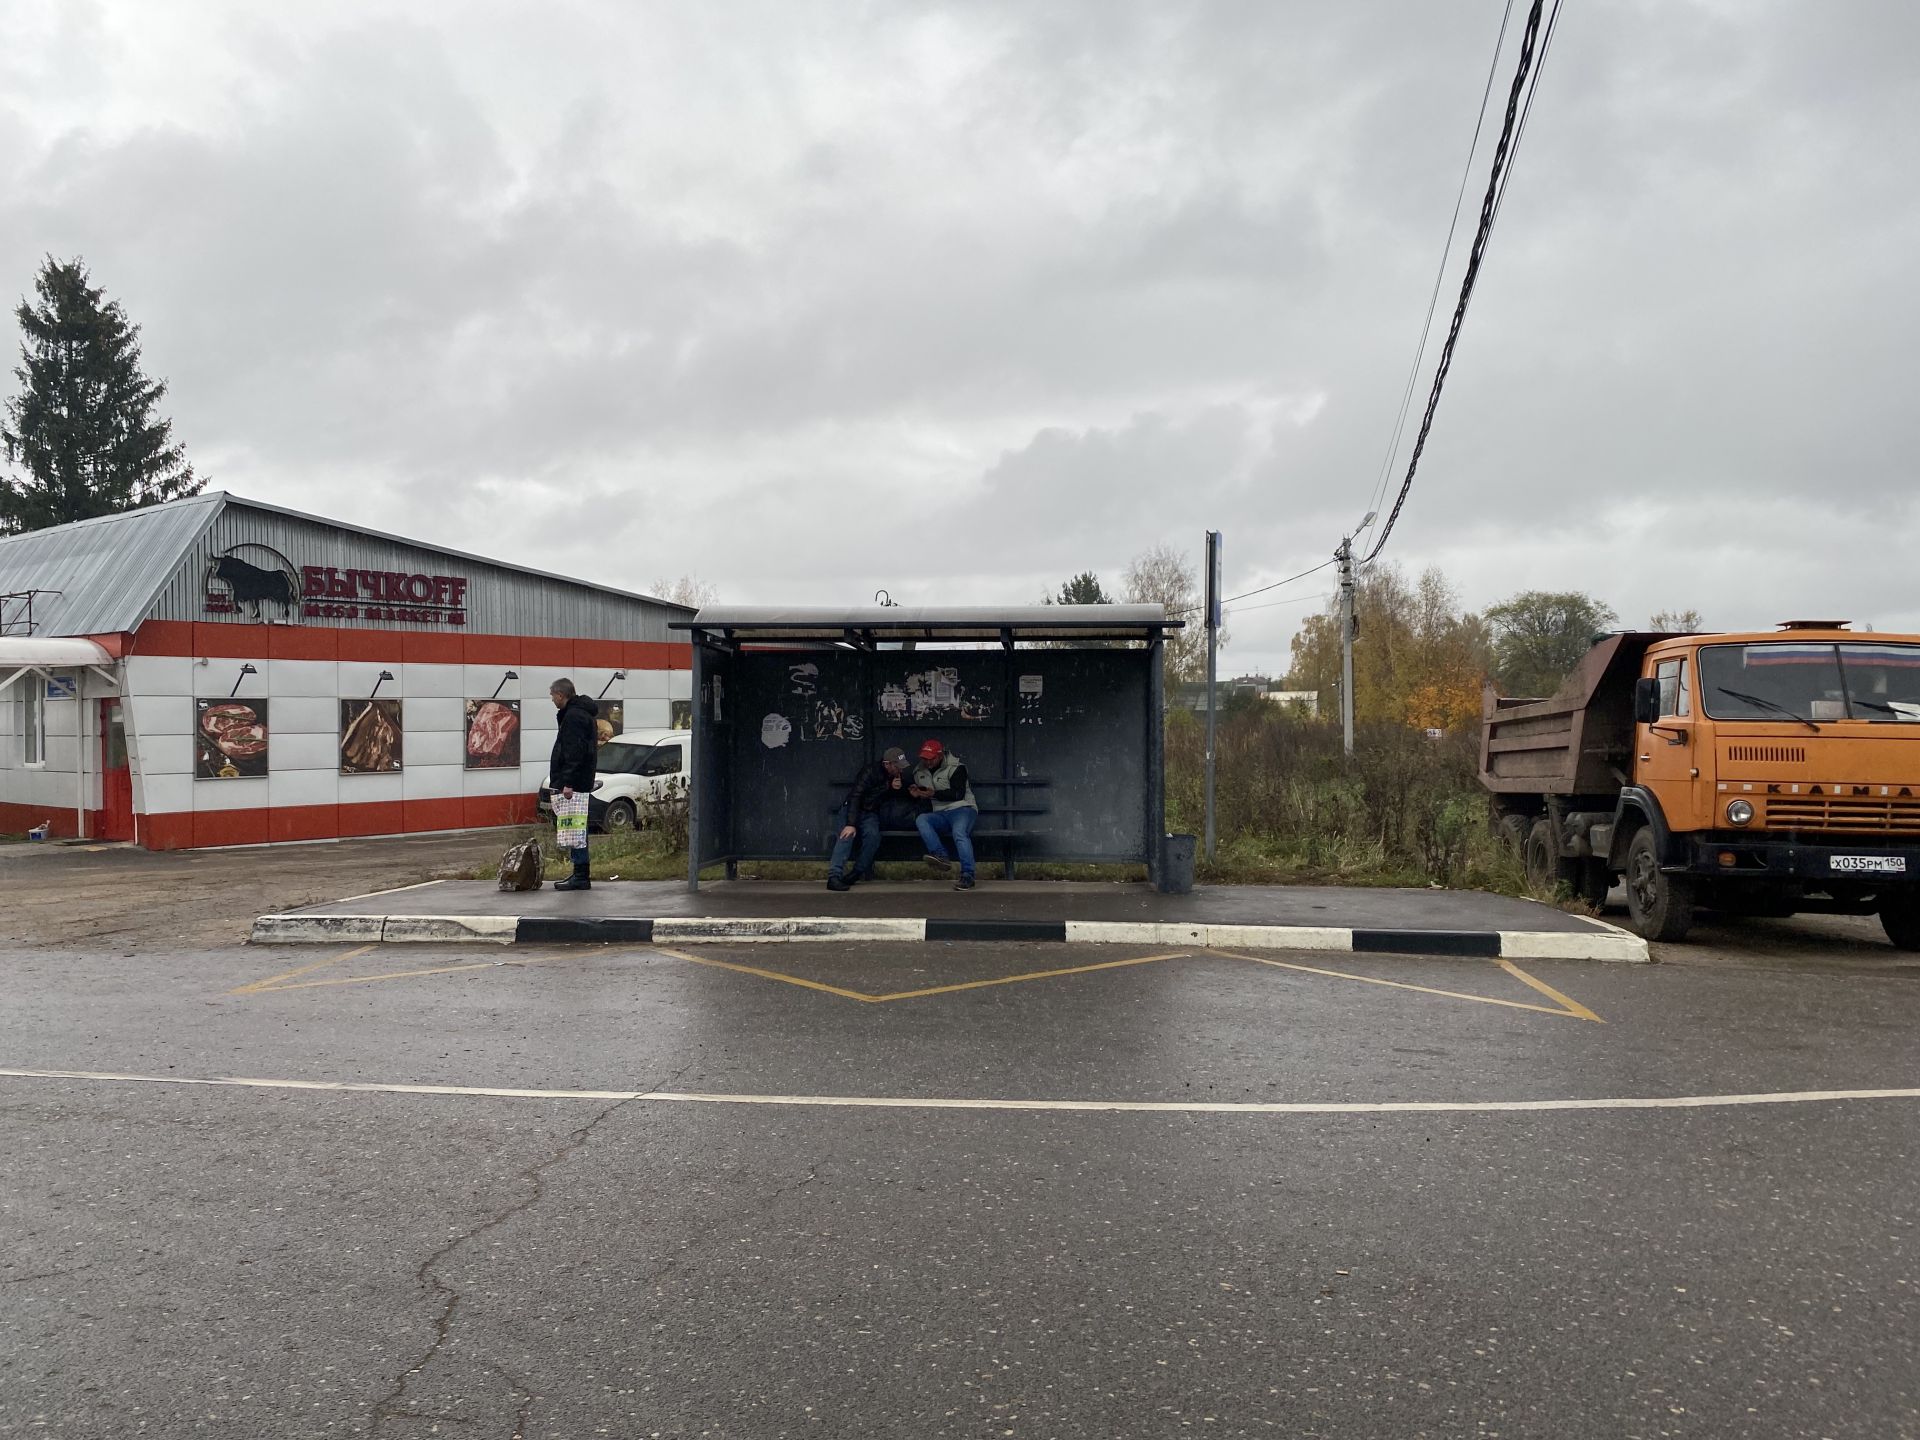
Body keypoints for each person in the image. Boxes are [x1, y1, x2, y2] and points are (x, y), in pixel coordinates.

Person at [826, 747, 919, 892]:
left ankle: (856, 873)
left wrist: (904, 790)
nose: (900, 770)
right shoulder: (870, 772)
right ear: (887, 764)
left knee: (873, 837)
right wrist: (851, 823)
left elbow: (894, 793)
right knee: (846, 836)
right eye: (897, 767)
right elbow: (856, 797)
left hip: (870, 812)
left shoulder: (896, 775)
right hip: (852, 809)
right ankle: (834, 877)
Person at [548, 678, 601, 892]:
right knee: (576, 828)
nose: (552, 700)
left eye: (553, 695)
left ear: (561, 695)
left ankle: (581, 875)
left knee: (576, 828)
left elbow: (574, 752)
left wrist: (567, 782)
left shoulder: (574, 717)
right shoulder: (580, 713)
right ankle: (580, 873)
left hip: (575, 784)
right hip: (579, 780)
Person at [912, 738, 979, 891]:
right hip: (940, 813)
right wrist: (915, 793)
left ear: (940, 755)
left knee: (959, 833)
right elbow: (923, 793)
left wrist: (933, 794)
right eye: (924, 759)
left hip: (962, 808)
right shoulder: (919, 772)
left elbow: (958, 794)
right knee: (922, 819)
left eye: (931, 759)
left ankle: (968, 875)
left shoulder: (957, 767)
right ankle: (941, 856)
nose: (927, 762)